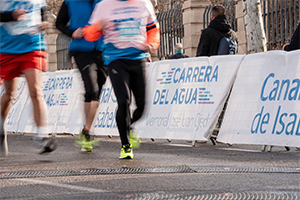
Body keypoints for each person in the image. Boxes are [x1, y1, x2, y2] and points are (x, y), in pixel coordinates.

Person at [83, 0, 160, 159]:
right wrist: (98, 27)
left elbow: (153, 28)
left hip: (138, 58)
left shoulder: (144, 4)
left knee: (142, 106)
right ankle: (126, 145)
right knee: (123, 101)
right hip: (115, 59)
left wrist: (152, 43)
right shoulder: (103, 5)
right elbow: (88, 33)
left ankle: (128, 126)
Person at [0, 0, 57, 156]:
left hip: (32, 46)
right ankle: (1, 126)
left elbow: (43, 11)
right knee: (9, 94)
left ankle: (42, 135)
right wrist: (9, 15)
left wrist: (44, 22)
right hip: (7, 48)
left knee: (35, 90)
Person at [55, 0, 107, 152]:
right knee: (91, 88)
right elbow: (59, 23)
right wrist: (71, 32)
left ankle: (86, 130)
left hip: (103, 50)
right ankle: (87, 131)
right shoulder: (71, 2)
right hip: (81, 50)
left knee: (98, 91)